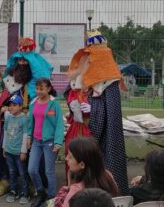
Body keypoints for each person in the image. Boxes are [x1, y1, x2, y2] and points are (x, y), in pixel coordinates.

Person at [67, 29, 129, 195]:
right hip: (85, 132)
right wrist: (74, 109)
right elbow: (73, 95)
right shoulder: (86, 79)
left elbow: (109, 117)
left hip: (105, 139)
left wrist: (92, 110)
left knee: (106, 168)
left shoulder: (111, 83)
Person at [0, 37, 53, 196]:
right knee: (3, 153)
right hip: (11, 127)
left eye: (27, 62)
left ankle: (34, 183)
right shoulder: (9, 82)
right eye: (20, 61)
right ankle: (5, 181)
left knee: (33, 154)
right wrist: (5, 109)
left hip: (31, 128)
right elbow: (1, 104)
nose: (23, 64)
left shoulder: (40, 87)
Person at [49, 137, 118, 207]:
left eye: (70, 157)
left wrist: (69, 187)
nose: (66, 159)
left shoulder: (76, 190)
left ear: (82, 165)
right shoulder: (107, 175)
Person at [27, 78, 64, 207]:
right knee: (32, 169)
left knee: (49, 171)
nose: (39, 91)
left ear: (48, 89)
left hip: (50, 142)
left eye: (42, 89)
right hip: (36, 142)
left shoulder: (54, 104)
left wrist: (58, 142)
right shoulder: (33, 103)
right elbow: (30, 122)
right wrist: (28, 137)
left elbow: (59, 124)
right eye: (37, 89)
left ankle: (51, 196)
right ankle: (40, 192)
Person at [2, 95, 29, 204]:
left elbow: (25, 135)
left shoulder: (24, 119)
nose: (11, 107)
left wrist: (23, 151)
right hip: (9, 151)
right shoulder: (8, 117)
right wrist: (4, 147)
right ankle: (13, 191)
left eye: (14, 105)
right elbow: (5, 132)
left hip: (19, 152)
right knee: (12, 172)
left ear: (20, 106)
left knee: (22, 173)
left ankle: (25, 193)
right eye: (10, 105)